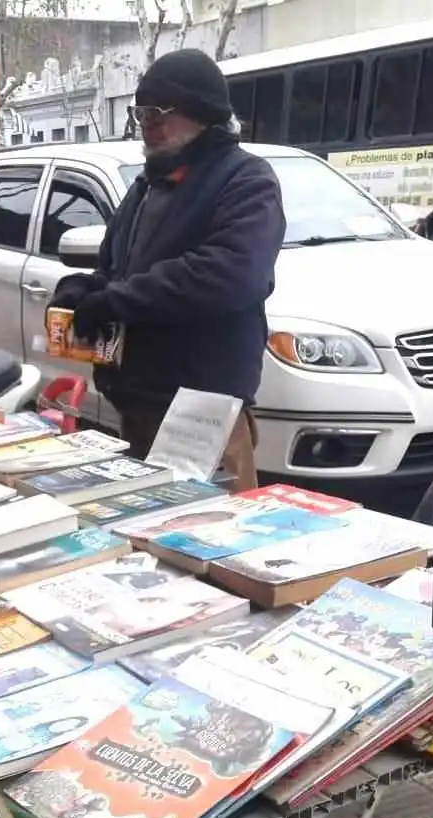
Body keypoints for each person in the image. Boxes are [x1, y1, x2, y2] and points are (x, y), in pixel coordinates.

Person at [49, 49, 287, 491]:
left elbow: (229, 273)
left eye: (159, 113)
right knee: (141, 528)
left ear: (202, 114)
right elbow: (117, 272)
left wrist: (116, 300)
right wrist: (84, 290)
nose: (147, 124)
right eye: (140, 112)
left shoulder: (246, 180)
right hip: (138, 404)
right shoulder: (147, 185)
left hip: (202, 414)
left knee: (211, 528)